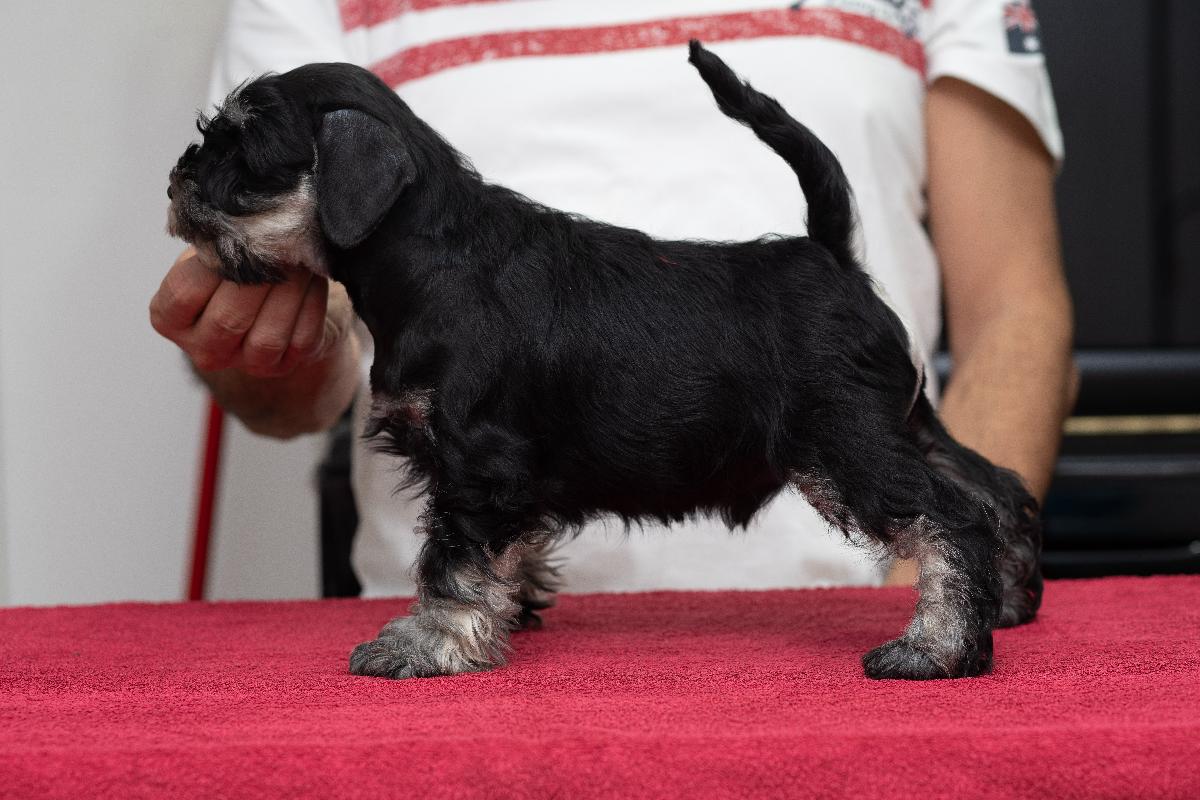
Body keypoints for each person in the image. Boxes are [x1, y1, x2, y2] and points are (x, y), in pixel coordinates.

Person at [151, 0, 1077, 596]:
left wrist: (933, 583)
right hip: (450, 668)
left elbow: (1017, 310)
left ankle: (974, 548)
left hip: (828, 620)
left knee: (890, 457)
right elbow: (289, 396)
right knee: (909, 445)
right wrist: (277, 342)